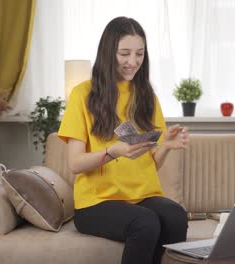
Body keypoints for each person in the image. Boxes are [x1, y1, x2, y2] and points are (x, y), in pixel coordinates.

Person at [58, 17, 188, 264]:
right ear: (108, 53)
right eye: (124, 53)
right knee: (145, 222)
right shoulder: (82, 94)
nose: (133, 62)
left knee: (175, 215)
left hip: (141, 197)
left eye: (139, 54)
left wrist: (167, 147)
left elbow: (150, 162)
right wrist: (113, 152)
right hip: (95, 203)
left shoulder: (147, 96)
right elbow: (74, 164)